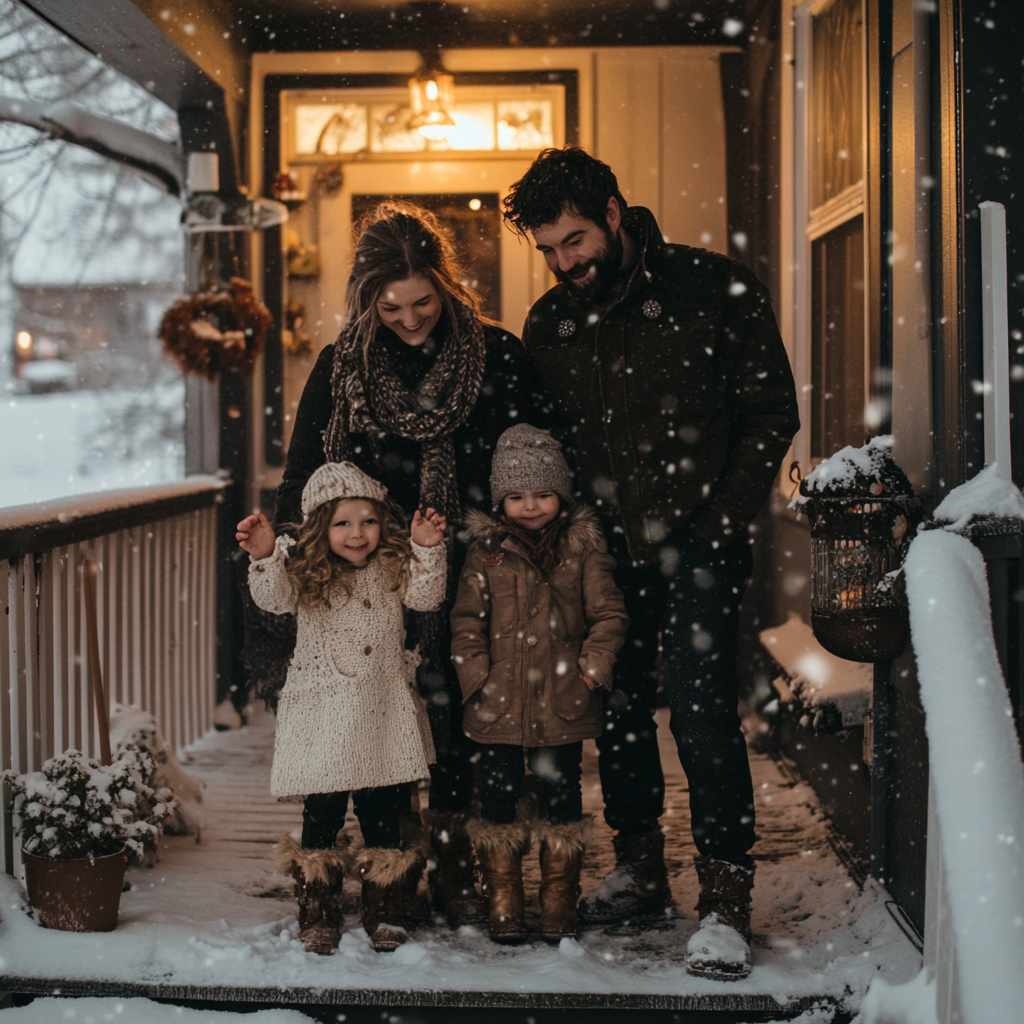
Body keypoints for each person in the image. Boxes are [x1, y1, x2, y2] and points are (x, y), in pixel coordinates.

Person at [502, 146, 800, 979]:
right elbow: (545, 444)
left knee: (703, 716)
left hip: (703, 542)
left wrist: (723, 520)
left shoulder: (713, 287)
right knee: (620, 711)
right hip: (604, 554)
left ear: (613, 211)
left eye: (573, 241)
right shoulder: (551, 324)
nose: (565, 265)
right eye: (549, 251)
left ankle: (726, 899)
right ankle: (639, 868)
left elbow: (771, 411)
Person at [275, 201, 557, 929]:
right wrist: (291, 559)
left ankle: (458, 862)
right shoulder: (343, 366)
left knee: (463, 717)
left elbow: (536, 459)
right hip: (372, 581)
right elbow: (303, 471)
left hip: (478, 569)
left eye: (423, 300)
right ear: (367, 300)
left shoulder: (493, 356)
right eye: (390, 305)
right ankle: (390, 866)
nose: (408, 318)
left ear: (446, 283)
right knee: (385, 718)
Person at [237, 461, 446, 955]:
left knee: (381, 813)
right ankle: (318, 909)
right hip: (325, 713)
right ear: (319, 528)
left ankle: (384, 908)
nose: (358, 534)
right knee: (323, 813)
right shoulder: (307, 572)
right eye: (343, 523)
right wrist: (265, 556)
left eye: (368, 521)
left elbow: (427, 596)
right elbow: (274, 599)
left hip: (379, 709)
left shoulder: (392, 566)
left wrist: (426, 548)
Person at [450, 424, 629, 944]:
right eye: (518, 496)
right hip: (496, 703)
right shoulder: (486, 553)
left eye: (543, 494)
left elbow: (609, 614)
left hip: (563, 701)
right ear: (501, 500)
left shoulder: (582, 550)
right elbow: (465, 622)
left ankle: (558, 901)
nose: (531, 507)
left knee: (561, 796)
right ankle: (504, 898)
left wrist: (594, 663)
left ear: (563, 496)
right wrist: (475, 676)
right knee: (498, 798)